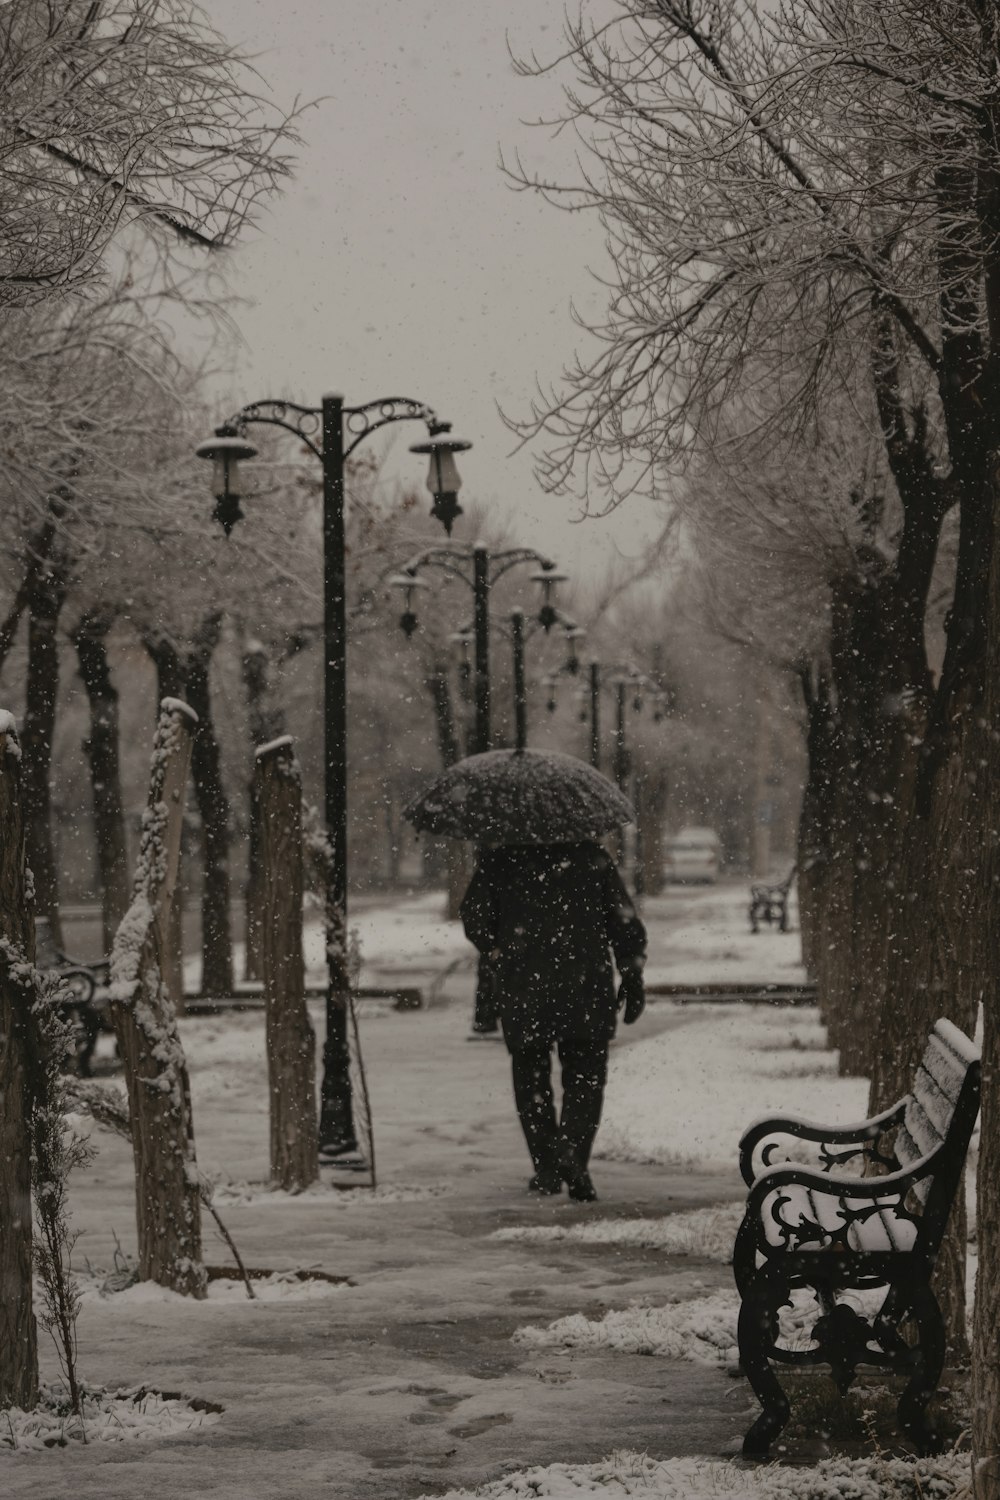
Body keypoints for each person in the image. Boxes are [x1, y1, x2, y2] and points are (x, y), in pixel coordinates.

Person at [460, 839, 647, 1201]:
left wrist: (497, 950)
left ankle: (546, 1167)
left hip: (524, 985)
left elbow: (473, 915)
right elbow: (621, 918)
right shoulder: (591, 858)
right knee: (586, 1078)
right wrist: (631, 970)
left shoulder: (501, 858)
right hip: (585, 983)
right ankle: (573, 1150)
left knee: (530, 1078)